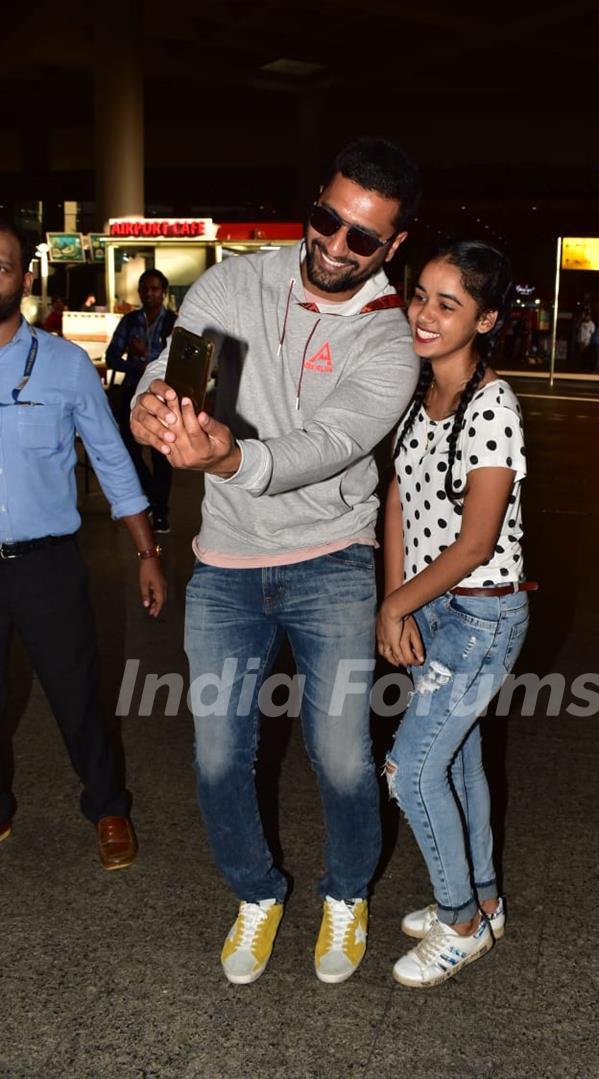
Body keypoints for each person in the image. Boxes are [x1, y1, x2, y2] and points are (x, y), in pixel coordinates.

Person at [130, 137, 422, 985]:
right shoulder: (233, 282)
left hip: (332, 558)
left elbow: (326, 446)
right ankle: (257, 891)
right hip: (225, 562)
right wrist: (156, 407)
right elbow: (175, 366)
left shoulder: (389, 342)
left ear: (393, 245)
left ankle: (346, 891)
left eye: (362, 238)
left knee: (338, 752)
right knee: (218, 754)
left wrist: (228, 460)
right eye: (327, 219)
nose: (335, 245)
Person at [376, 239, 532, 988]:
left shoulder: (492, 405)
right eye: (421, 295)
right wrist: (399, 598)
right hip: (435, 609)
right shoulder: (424, 393)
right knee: (457, 760)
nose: (425, 314)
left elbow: (475, 543)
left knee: (409, 770)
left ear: (486, 318)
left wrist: (398, 602)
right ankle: (486, 900)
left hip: (480, 616)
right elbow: (400, 495)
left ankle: (460, 919)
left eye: (449, 303)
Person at [0, 218, 166, 867]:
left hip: (47, 564)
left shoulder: (64, 365)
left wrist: (147, 552)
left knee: (76, 692)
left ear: (24, 277)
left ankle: (107, 805)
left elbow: (112, 458)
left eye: (3, 263)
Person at [105, 269, 177, 533]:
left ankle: (160, 513)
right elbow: (111, 356)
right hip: (132, 391)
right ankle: (153, 500)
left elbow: (177, 362)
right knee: (129, 450)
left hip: (163, 396)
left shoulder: (174, 322)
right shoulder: (130, 321)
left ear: (163, 292)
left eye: (155, 289)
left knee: (161, 455)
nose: (149, 294)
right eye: (144, 289)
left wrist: (146, 359)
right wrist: (133, 363)